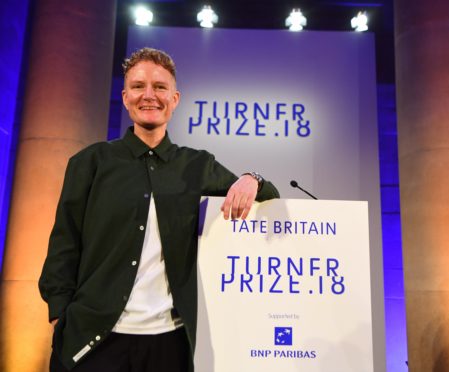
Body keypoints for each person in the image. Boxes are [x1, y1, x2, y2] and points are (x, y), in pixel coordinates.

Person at [39, 47, 279, 372]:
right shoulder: (90, 163)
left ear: (175, 99)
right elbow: (64, 246)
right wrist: (60, 314)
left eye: (160, 87)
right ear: (125, 98)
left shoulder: (196, 166)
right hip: (95, 338)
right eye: (138, 86)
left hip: (169, 343)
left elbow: (268, 196)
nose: (149, 95)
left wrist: (253, 179)